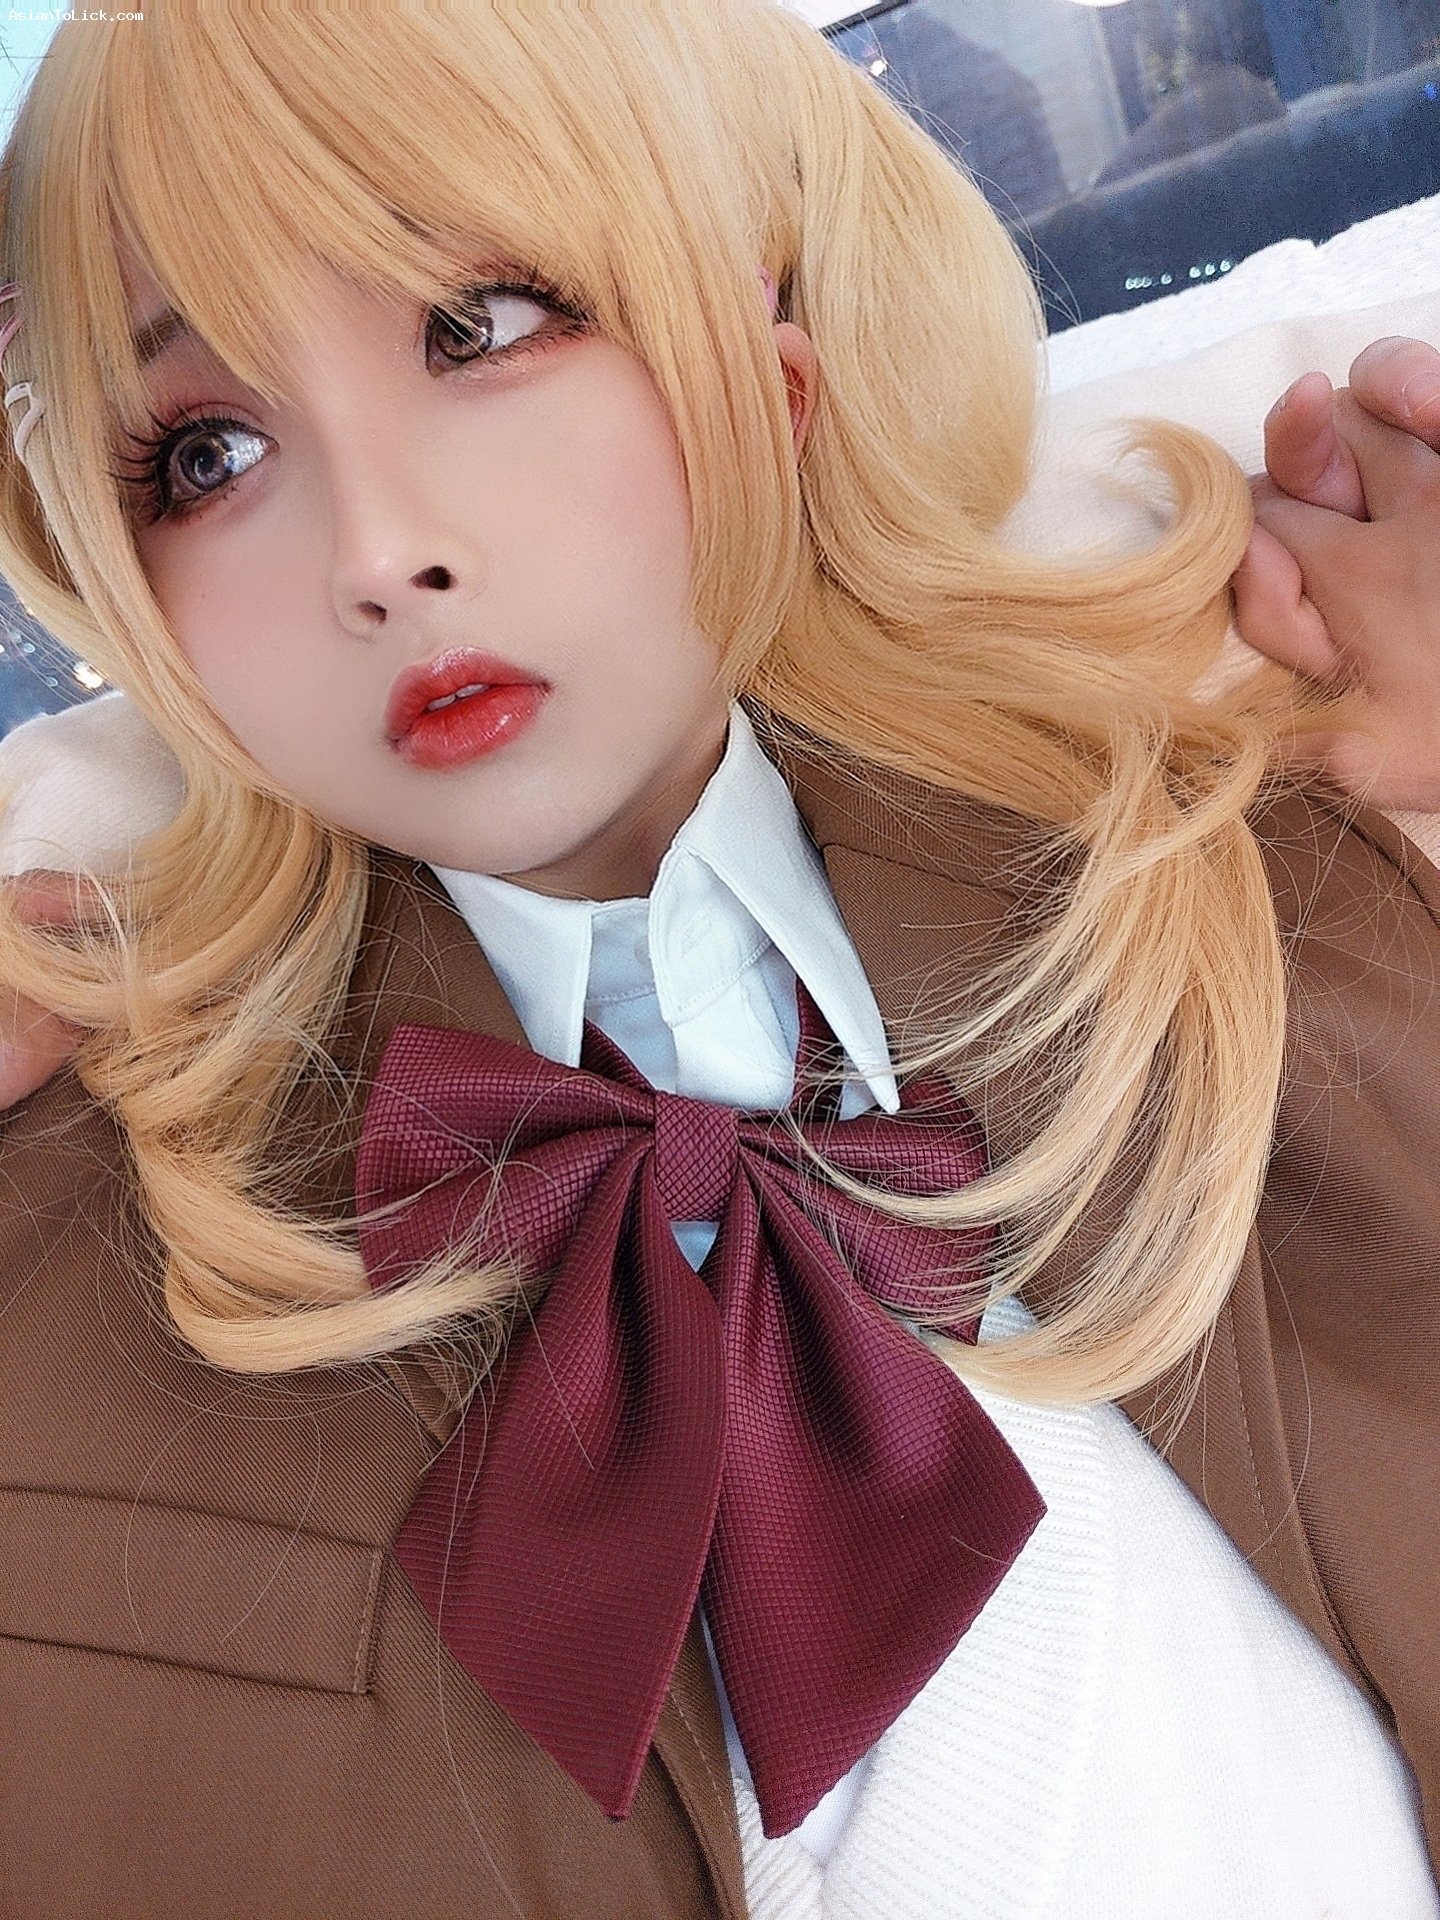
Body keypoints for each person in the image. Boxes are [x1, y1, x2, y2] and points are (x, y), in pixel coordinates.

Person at [2, 5, 1440, 1915]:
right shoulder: (77, 1233)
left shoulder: (1303, 879)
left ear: (772, 370)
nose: (381, 551)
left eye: (481, 325)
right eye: (208, 451)